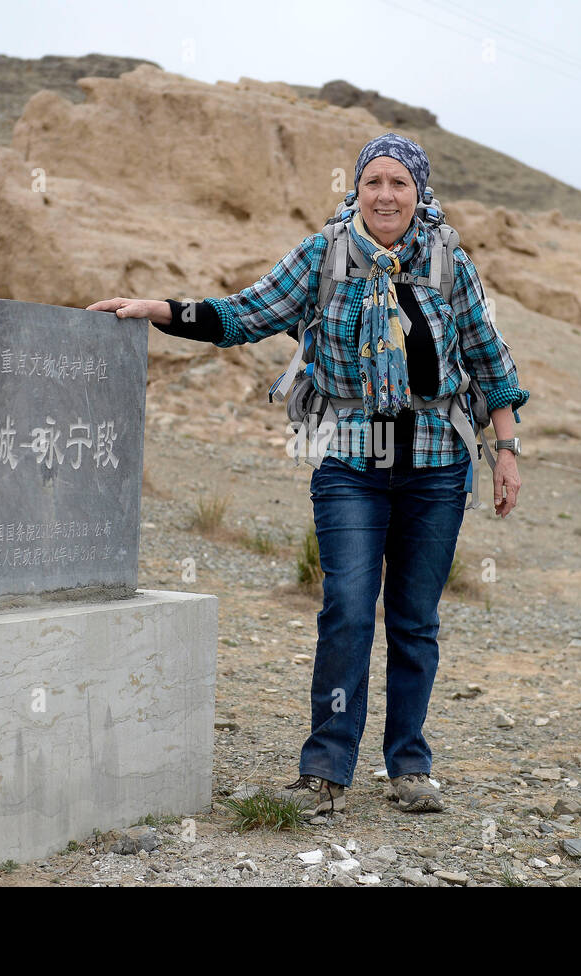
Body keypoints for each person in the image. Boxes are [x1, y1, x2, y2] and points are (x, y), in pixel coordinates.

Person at [88, 132, 529, 817]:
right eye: (373, 182)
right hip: (351, 461)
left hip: (437, 467)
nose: (385, 195)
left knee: (415, 620)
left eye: (399, 184)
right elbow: (244, 314)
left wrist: (506, 452)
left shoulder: (450, 263)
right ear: (356, 189)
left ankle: (410, 766)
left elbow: (490, 361)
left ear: (419, 193)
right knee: (348, 609)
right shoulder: (326, 253)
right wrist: (162, 312)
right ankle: (324, 772)